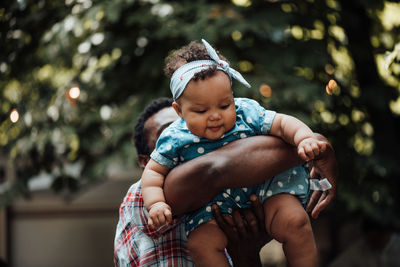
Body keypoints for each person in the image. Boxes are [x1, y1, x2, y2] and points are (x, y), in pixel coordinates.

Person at [141, 39, 334, 267]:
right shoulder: (174, 138)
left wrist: (304, 139)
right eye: (201, 110)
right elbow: (153, 174)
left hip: (267, 190)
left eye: (224, 105)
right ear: (179, 111)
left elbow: (282, 124)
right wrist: (156, 205)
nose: (214, 116)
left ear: (233, 97)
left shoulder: (246, 112)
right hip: (215, 210)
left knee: (295, 221)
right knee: (200, 244)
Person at [113, 98, 337, 267]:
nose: (191, 139)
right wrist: (317, 145)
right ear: (145, 162)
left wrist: (246, 255)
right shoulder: (144, 198)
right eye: (169, 136)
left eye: (188, 129)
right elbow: (217, 167)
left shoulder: (228, 198)